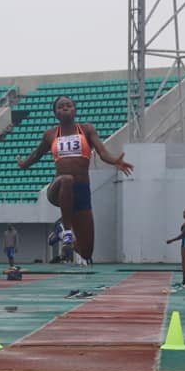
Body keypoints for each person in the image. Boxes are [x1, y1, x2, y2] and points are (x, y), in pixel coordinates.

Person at [17, 96, 134, 264]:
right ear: (55, 114)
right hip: (58, 188)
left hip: (81, 192)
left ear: (75, 110)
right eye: (60, 107)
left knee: (87, 251)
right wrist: (24, 164)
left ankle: (60, 233)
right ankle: (67, 231)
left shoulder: (86, 130)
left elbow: (102, 152)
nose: (64, 108)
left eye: (68, 105)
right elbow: (37, 154)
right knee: (67, 179)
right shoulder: (50, 134)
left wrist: (115, 161)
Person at [166, 207, 185, 288]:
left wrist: (171, 240)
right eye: (184, 212)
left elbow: (182, 235)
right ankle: (184, 282)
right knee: (183, 262)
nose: (184, 214)